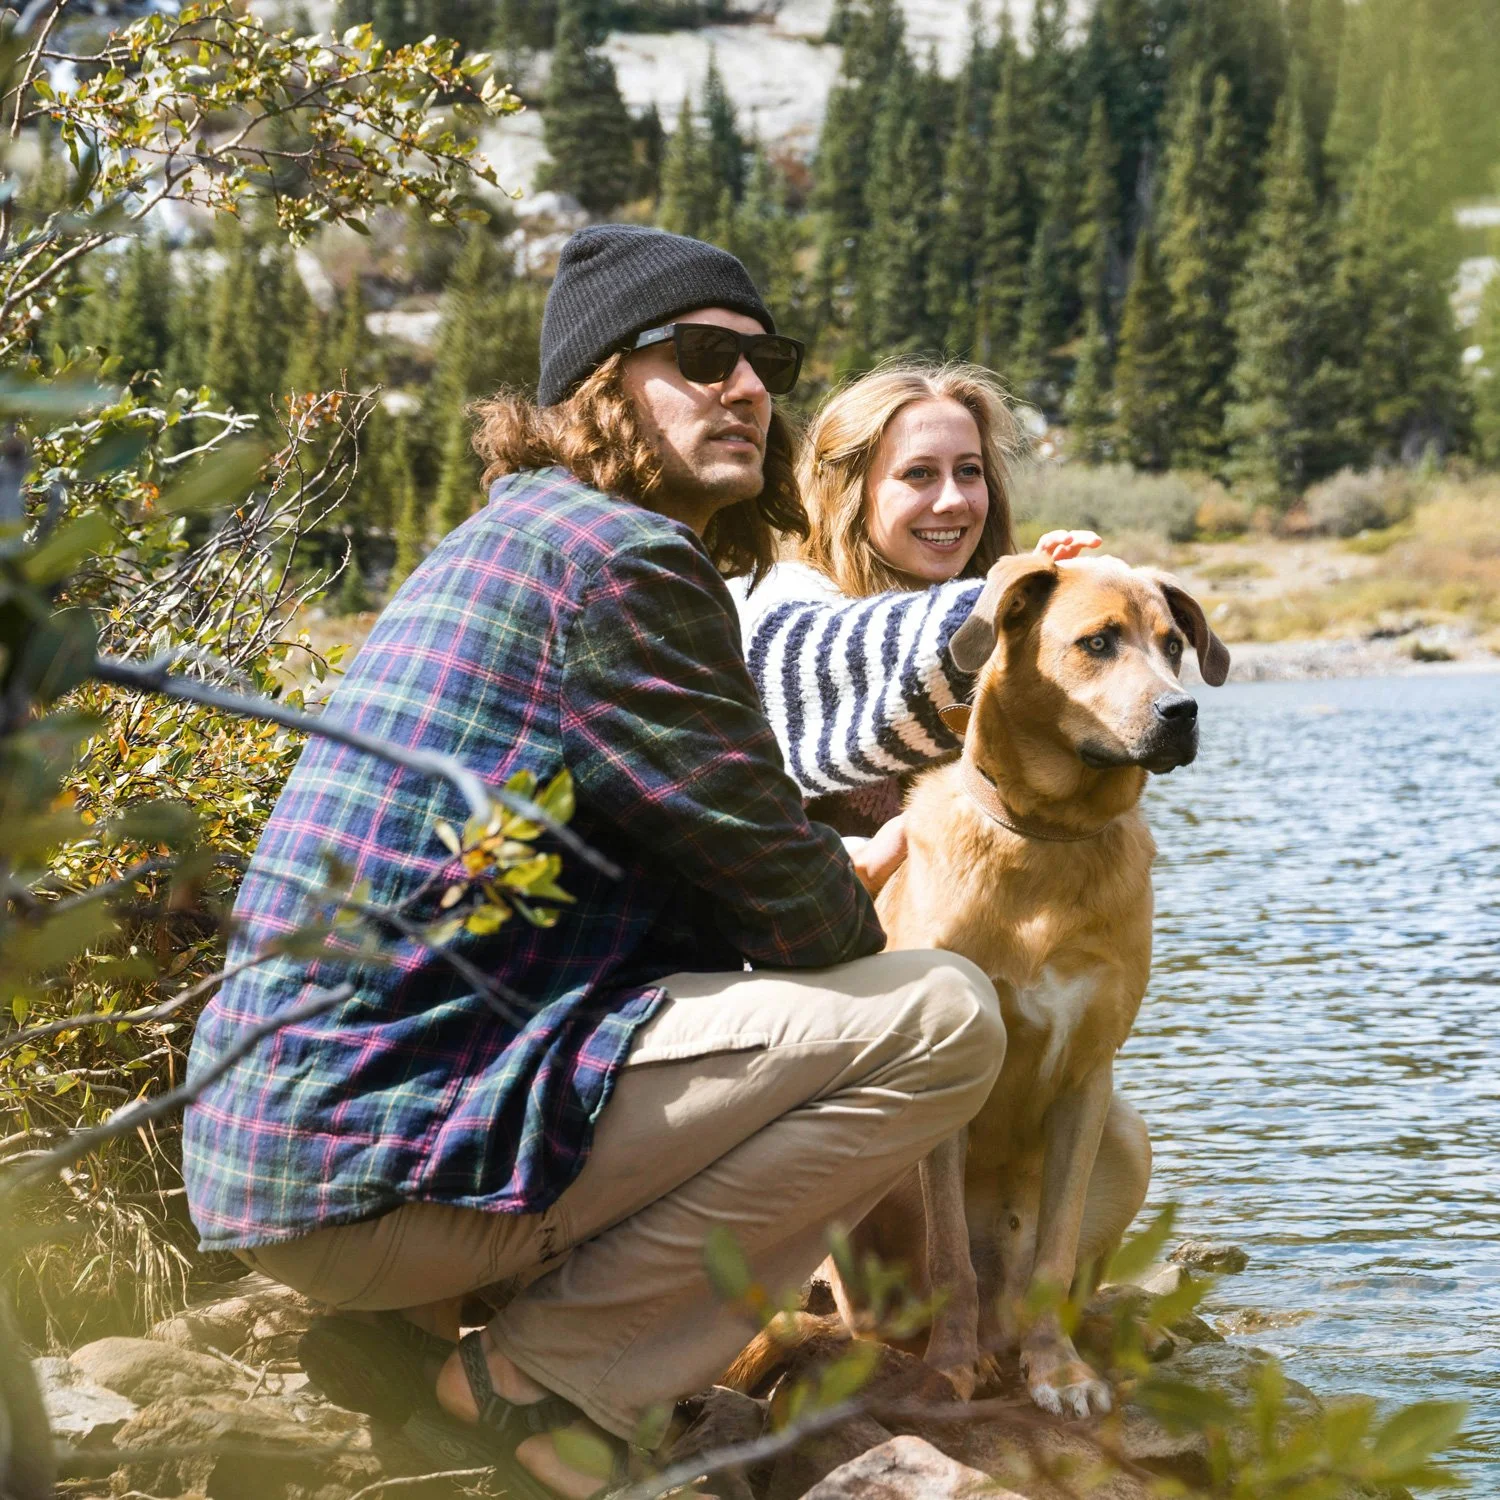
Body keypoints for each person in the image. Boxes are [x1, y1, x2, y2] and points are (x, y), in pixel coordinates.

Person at [180, 229, 1004, 1500]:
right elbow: (805, 923)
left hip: (278, 1155)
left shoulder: (508, 540)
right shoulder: (628, 565)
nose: (746, 388)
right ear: (599, 388)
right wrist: (850, 864)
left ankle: (418, 1345)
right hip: (373, 1170)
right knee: (942, 1017)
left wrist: (782, 855)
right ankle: (526, 1389)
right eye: (701, 356)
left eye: (763, 360)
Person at [728, 361, 1099, 865]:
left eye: (969, 471)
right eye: (919, 474)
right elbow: (849, 662)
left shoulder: (969, 601)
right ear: (848, 490)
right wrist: (1010, 603)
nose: (952, 500)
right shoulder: (777, 601)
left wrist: (1064, 626)